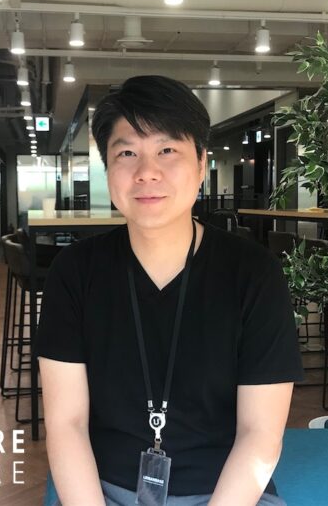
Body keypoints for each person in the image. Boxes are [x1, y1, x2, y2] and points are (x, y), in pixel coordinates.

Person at [35, 76, 303, 505]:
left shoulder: (254, 273)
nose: (147, 172)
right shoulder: (75, 272)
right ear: (108, 168)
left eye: (167, 150)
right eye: (127, 153)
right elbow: (66, 424)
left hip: (226, 493)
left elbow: (261, 434)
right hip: (108, 491)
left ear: (200, 163)